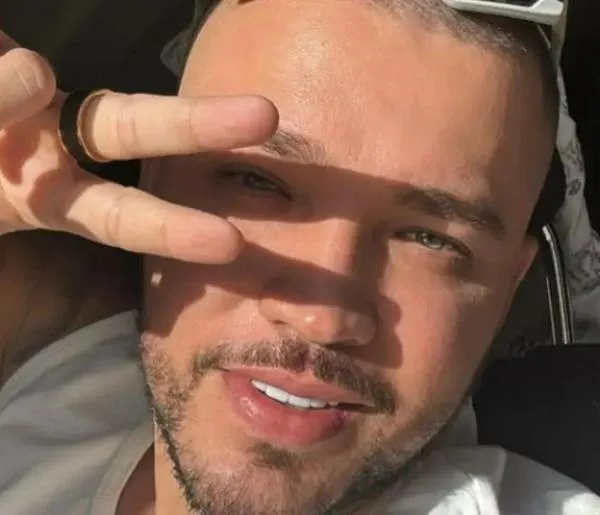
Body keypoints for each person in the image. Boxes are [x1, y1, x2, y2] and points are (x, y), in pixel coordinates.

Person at [0, 0, 599, 513]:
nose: (320, 316)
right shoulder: (49, 350)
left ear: (507, 288)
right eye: (256, 182)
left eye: (430, 239)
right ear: (155, 180)